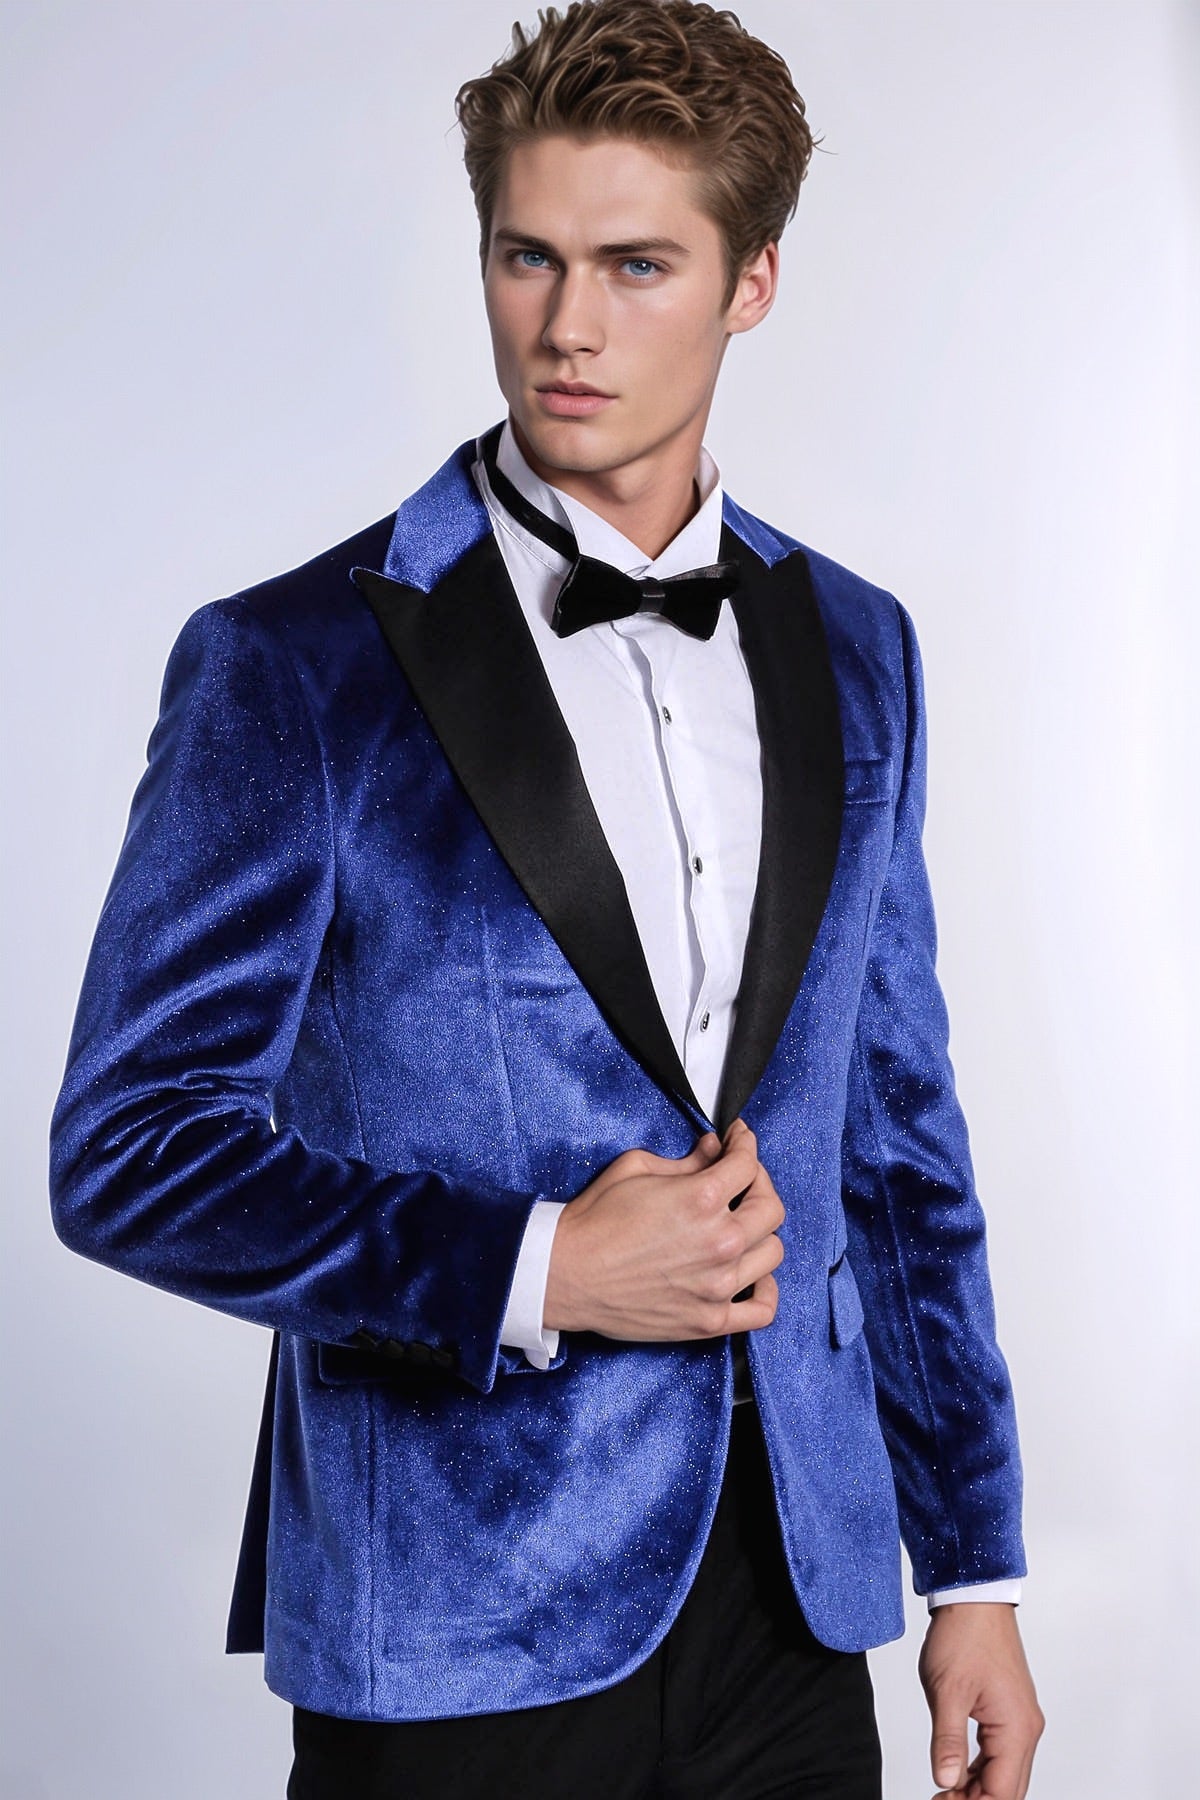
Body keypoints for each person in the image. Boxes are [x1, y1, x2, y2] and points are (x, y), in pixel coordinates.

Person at [49, 2, 1044, 1795]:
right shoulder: (295, 666)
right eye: (528, 257)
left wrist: (973, 1567)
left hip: (796, 1611)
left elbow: (894, 1145)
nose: (566, 326)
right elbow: (130, 1150)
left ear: (751, 282)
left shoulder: (858, 647)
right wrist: (542, 1267)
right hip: (456, 1625)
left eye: (636, 265)